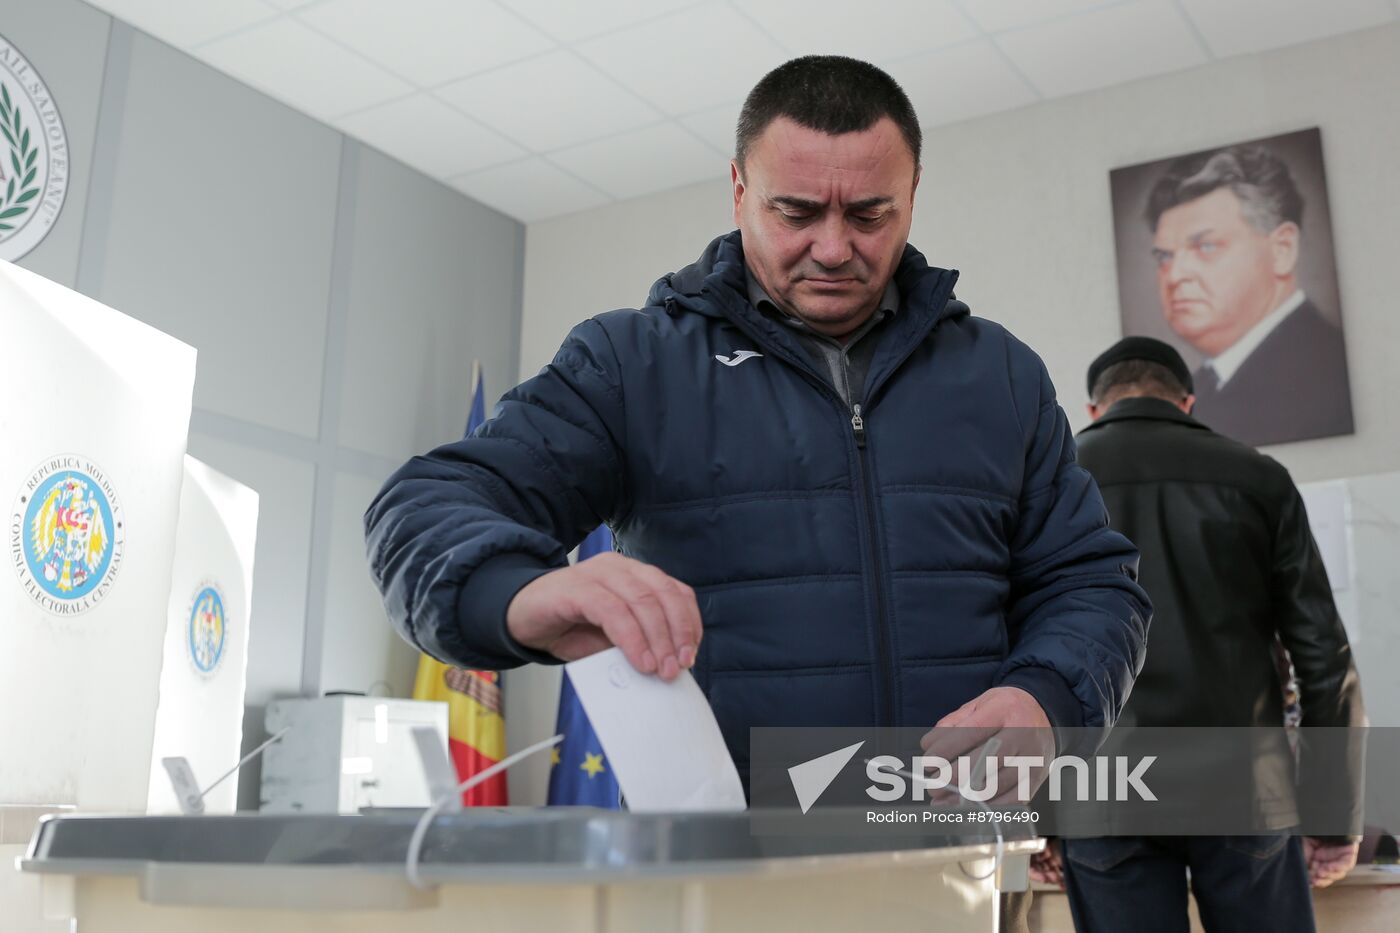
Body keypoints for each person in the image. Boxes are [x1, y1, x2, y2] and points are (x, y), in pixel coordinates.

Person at [365, 57, 1149, 915]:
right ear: (739, 189)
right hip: (719, 873)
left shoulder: (1000, 374)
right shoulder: (633, 363)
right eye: (797, 211)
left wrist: (1050, 693)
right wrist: (518, 593)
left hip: (949, 868)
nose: (834, 246)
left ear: (914, 192)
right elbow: (423, 506)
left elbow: (1094, 583)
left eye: (869, 213)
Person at [1035, 336, 1365, 933]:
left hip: (1104, 792)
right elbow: (1323, 659)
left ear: (1094, 410)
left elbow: (1018, 652)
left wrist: (1037, 821)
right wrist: (1334, 817)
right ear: (1186, 403)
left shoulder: (1057, 482)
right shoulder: (1259, 478)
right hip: (1246, 786)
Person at [1144, 145, 1353, 446]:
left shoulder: (1327, 378)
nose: (1174, 276)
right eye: (1164, 257)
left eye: (1206, 247)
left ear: (1282, 249)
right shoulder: (1196, 389)